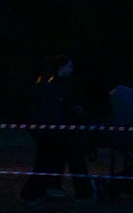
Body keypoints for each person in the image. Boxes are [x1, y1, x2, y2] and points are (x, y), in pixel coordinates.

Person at [20, 55, 94, 202]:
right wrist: (62, 129)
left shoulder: (55, 86)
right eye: (69, 66)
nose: (72, 69)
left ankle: (38, 193)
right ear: (61, 68)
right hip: (54, 133)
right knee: (49, 163)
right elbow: (55, 112)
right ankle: (31, 194)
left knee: (50, 162)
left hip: (55, 132)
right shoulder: (54, 87)